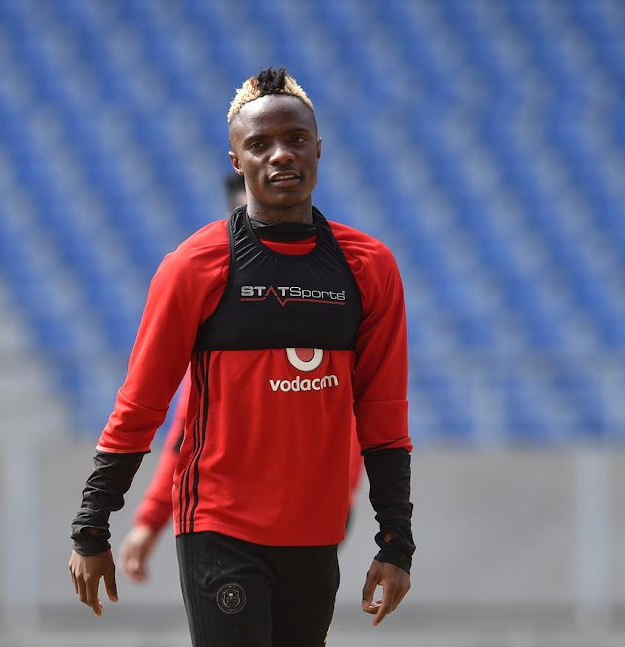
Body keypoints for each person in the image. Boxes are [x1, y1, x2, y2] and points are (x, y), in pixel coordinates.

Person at [69, 67, 415, 646]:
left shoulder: (369, 267)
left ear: (318, 149)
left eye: (295, 139)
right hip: (219, 527)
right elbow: (144, 403)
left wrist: (396, 541)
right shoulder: (193, 266)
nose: (281, 155)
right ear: (236, 160)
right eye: (259, 144)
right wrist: (92, 524)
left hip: (316, 533)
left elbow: (382, 415)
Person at [117, 175, 365, 585]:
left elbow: (363, 417)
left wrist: (344, 500)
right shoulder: (218, 317)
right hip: (227, 518)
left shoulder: (335, 302)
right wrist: (149, 520)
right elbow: (185, 433)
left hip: (314, 516)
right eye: (246, 217)